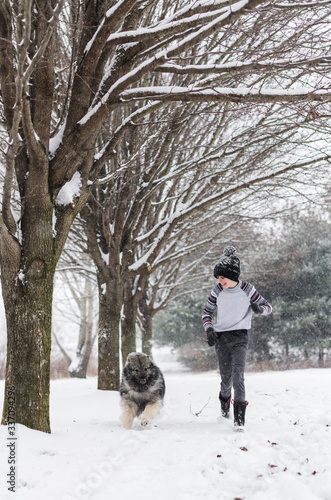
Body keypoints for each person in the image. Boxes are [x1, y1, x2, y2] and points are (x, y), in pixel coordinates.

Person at [202, 246, 272, 430]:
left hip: (240, 337)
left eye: (222, 277)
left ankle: (239, 421)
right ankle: (224, 408)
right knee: (226, 380)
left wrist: (259, 309)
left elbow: (268, 307)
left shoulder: (248, 289)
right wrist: (209, 329)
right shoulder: (217, 291)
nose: (219, 281)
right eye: (218, 278)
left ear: (232, 276)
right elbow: (207, 312)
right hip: (221, 338)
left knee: (238, 377)